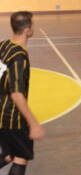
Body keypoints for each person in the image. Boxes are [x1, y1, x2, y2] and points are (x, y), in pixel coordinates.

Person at [0, 11, 45, 175]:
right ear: (28, 30)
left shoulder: (3, 45)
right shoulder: (19, 56)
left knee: (9, 155)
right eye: (33, 24)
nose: (34, 27)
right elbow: (16, 94)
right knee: (20, 157)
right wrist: (33, 123)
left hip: (0, 113)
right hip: (12, 117)